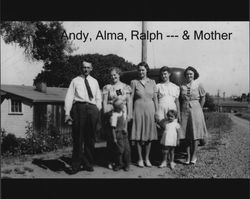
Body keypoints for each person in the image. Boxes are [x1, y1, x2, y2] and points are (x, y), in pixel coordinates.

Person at [64, 60, 102, 174]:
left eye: (88, 67)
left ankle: (88, 164)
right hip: (79, 108)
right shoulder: (75, 81)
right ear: (81, 68)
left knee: (90, 138)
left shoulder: (95, 81)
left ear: (91, 69)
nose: (86, 69)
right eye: (84, 67)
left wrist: (97, 109)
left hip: (92, 108)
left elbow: (98, 97)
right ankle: (75, 165)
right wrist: (67, 113)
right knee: (78, 138)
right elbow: (69, 97)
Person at [102, 67, 132, 169]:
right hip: (111, 113)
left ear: (119, 75)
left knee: (123, 138)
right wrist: (106, 112)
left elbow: (125, 101)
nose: (113, 77)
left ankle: (125, 162)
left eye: (115, 74)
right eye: (111, 75)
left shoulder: (122, 87)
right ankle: (112, 161)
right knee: (111, 139)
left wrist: (128, 114)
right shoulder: (108, 87)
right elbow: (105, 102)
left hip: (121, 113)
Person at [130, 61, 158, 168]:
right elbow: (130, 98)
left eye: (143, 70)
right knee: (138, 134)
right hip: (138, 109)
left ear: (146, 70)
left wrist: (157, 112)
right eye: (139, 70)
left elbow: (155, 99)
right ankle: (140, 159)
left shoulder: (152, 82)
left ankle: (147, 158)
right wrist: (130, 112)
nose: (141, 72)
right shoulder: (134, 82)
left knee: (149, 135)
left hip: (150, 110)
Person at [180, 66, 208, 165]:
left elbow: (203, 97)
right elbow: (180, 99)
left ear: (194, 75)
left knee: (195, 134)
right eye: (187, 74)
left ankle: (194, 155)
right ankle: (187, 156)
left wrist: (199, 108)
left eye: (191, 74)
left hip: (196, 109)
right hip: (184, 109)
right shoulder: (182, 85)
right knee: (186, 134)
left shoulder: (198, 84)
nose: (189, 76)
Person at [110, 98, 131, 171]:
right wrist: (114, 138)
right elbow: (113, 128)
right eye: (121, 104)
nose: (123, 105)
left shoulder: (123, 112)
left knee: (127, 149)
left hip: (124, 133)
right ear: (118, 107)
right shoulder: (114, 116)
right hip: (118, 134)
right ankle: (119, 164)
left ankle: (127, 164)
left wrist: (125, 128)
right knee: (120, 150)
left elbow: (125, 120)